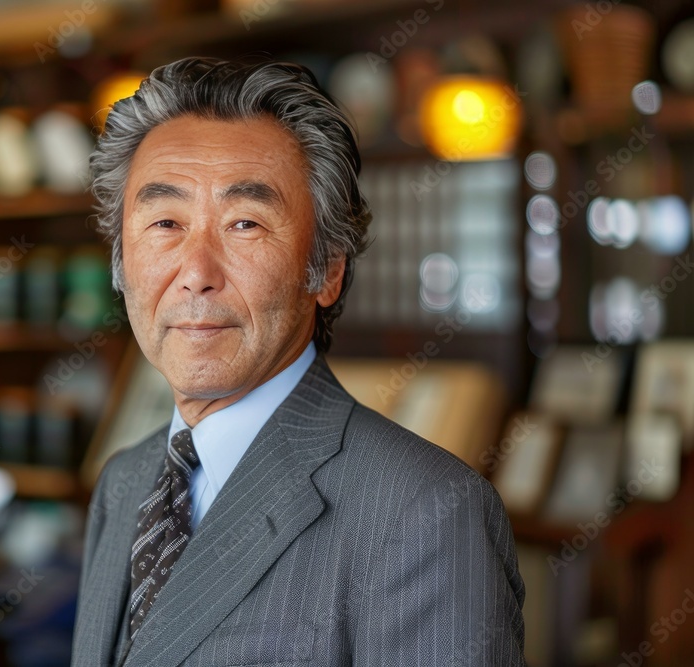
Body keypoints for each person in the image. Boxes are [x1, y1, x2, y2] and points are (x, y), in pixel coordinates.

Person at [71, 56, 526, 667]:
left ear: (328, 269)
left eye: (245, 223)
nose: (196, 276)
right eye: (165, 222)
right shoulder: (122, 483)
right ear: (122, 262)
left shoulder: (427, 514)